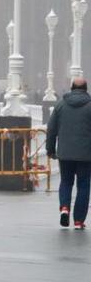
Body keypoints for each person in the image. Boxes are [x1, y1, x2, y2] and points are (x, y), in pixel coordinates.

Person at [46, 77, 91, 230]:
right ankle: (78, 221)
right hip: (86, 154)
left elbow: (51, 130)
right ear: (86, 88)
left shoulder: (60, 105)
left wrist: (50, 150)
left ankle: (64, 208)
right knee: (83, 185)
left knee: (66, 181)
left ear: (71, 88)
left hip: (65, 153)